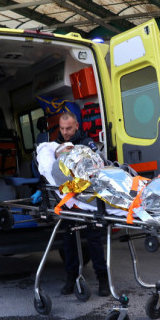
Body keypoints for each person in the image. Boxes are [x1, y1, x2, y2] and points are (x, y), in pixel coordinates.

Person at [56, 111, 109, 297]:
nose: (65, 132)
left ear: (77, 126)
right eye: (62, 128)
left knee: (94, 240)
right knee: (69, 240)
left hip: (88, 200)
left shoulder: (87, 144)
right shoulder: (57, 146)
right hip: (69, 201)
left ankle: (103, 279)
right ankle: (71, 278)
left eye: (69, 128)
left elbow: (99, 165)